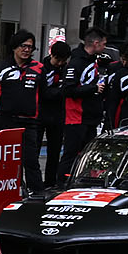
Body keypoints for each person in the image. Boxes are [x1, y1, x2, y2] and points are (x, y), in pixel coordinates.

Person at [59, 28, 111, 184]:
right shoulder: (76, 62)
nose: (104, 47)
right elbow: (68, 89)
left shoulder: (93, 61)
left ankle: (82, 181)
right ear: (95, 43)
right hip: (76, 117)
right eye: (103, 44)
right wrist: (93, 88)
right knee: (71, 154)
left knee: (88, 154)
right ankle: (61, 183)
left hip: (90, 117)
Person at [0, 30, 41, 194]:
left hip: (29, 122)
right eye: (23, 46)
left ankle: (36, 193)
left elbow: (44, 94)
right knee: (6, 161)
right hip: (6, 121)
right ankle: (6, 191)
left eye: (30, 47)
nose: (27, 50)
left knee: (31, 161)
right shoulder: (1, 67)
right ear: (14, 47)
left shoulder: (38, 68)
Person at [36, 40, 72, 189]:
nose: (60, 63)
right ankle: (36, 181)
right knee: (35, 149)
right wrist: (59, 92)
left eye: (63, 61)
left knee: (55, 150)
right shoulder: (42, 68)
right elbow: (44, 92)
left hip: (58, 114)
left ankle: (51, 181)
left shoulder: (65, 69)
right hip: (41, 113)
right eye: (58, 60)